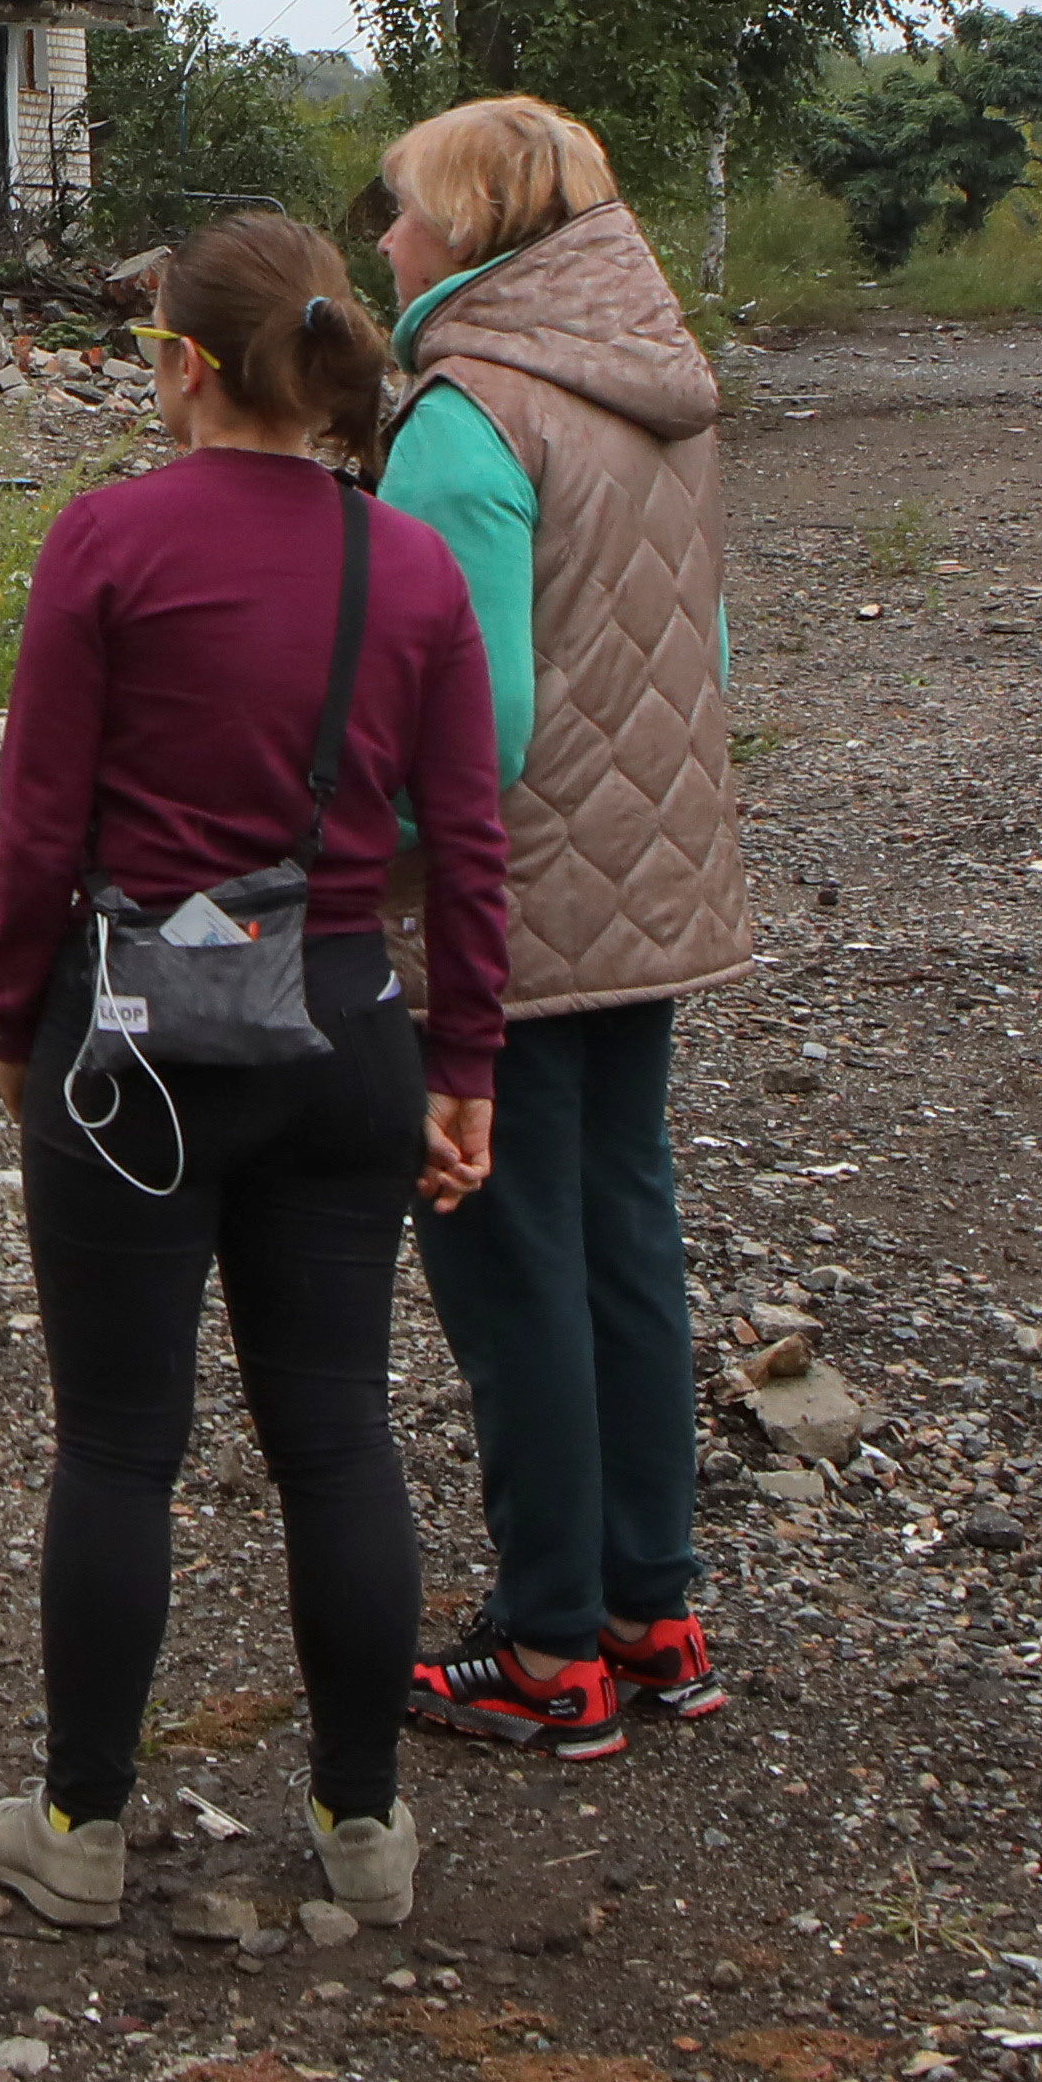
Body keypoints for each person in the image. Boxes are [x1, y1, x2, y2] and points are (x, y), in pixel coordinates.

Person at [0, 211, 514, 1936]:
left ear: (186, 365)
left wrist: (11, 1018)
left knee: (120, 1446)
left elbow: (42, 825)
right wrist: (467, 1057)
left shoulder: (106, 543)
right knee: (339, 1434)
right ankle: (366, 1830)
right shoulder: (407, 565)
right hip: (346, 1030)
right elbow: (472, 843)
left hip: (134, 1042)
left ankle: (78, 1832)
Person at [369, 95, 750, 1763]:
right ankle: (647, 1611)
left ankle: (542, 1650)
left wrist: (352, 882)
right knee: (622, 1241)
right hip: (650, 884)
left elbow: (468, 718)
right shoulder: (661, 398)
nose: (383, 245)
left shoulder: (468, 413)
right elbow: (702, 655)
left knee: (510, 1260)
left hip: (509, 905)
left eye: (401, 215)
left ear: (470, 235)